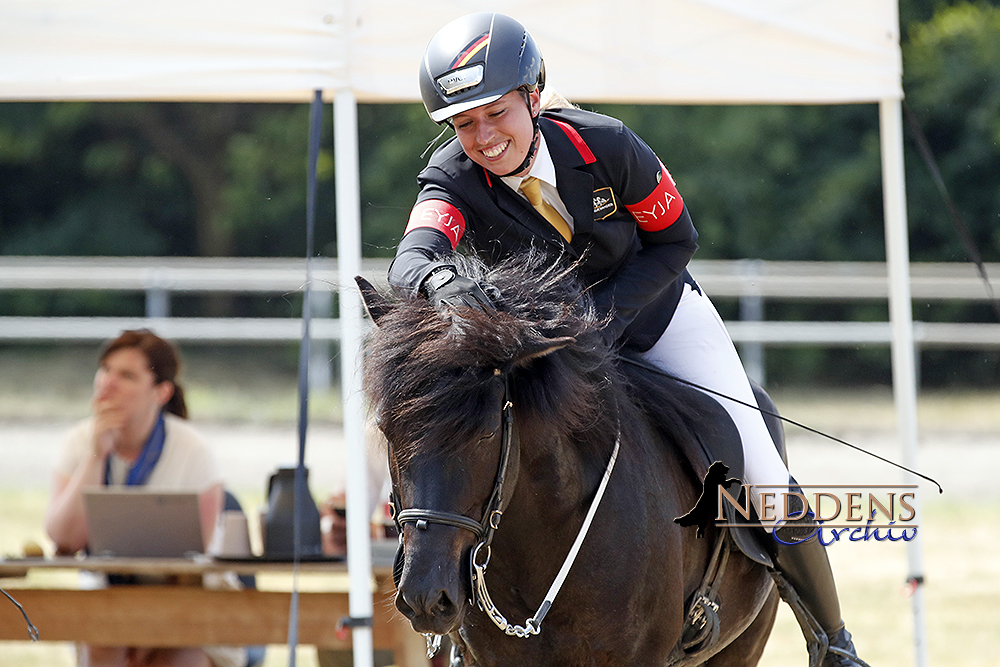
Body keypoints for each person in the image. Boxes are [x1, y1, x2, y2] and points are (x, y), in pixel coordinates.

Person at [388, 12, 865, 666]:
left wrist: (598, 316)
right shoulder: (450, 176)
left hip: (656, 318)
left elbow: (675, 240)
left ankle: (832, 639)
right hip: (545, 348)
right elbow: (409, 263)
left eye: (495, 112)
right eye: (464, 123)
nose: (483, 136)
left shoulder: (605, 145)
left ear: (532, 96)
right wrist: (449, 284)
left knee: (760, 470)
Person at [44, 329, 246, 667]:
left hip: (190, 607)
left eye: (126, 375)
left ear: (161, 391)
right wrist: (96, 456)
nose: (108, 382)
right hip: (107, 607)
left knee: (180, 660)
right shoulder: (77, 443)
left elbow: (197, 553)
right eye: (105, 369)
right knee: (102, 647)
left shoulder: (192, 450)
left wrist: (147, 630)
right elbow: (63, 537)